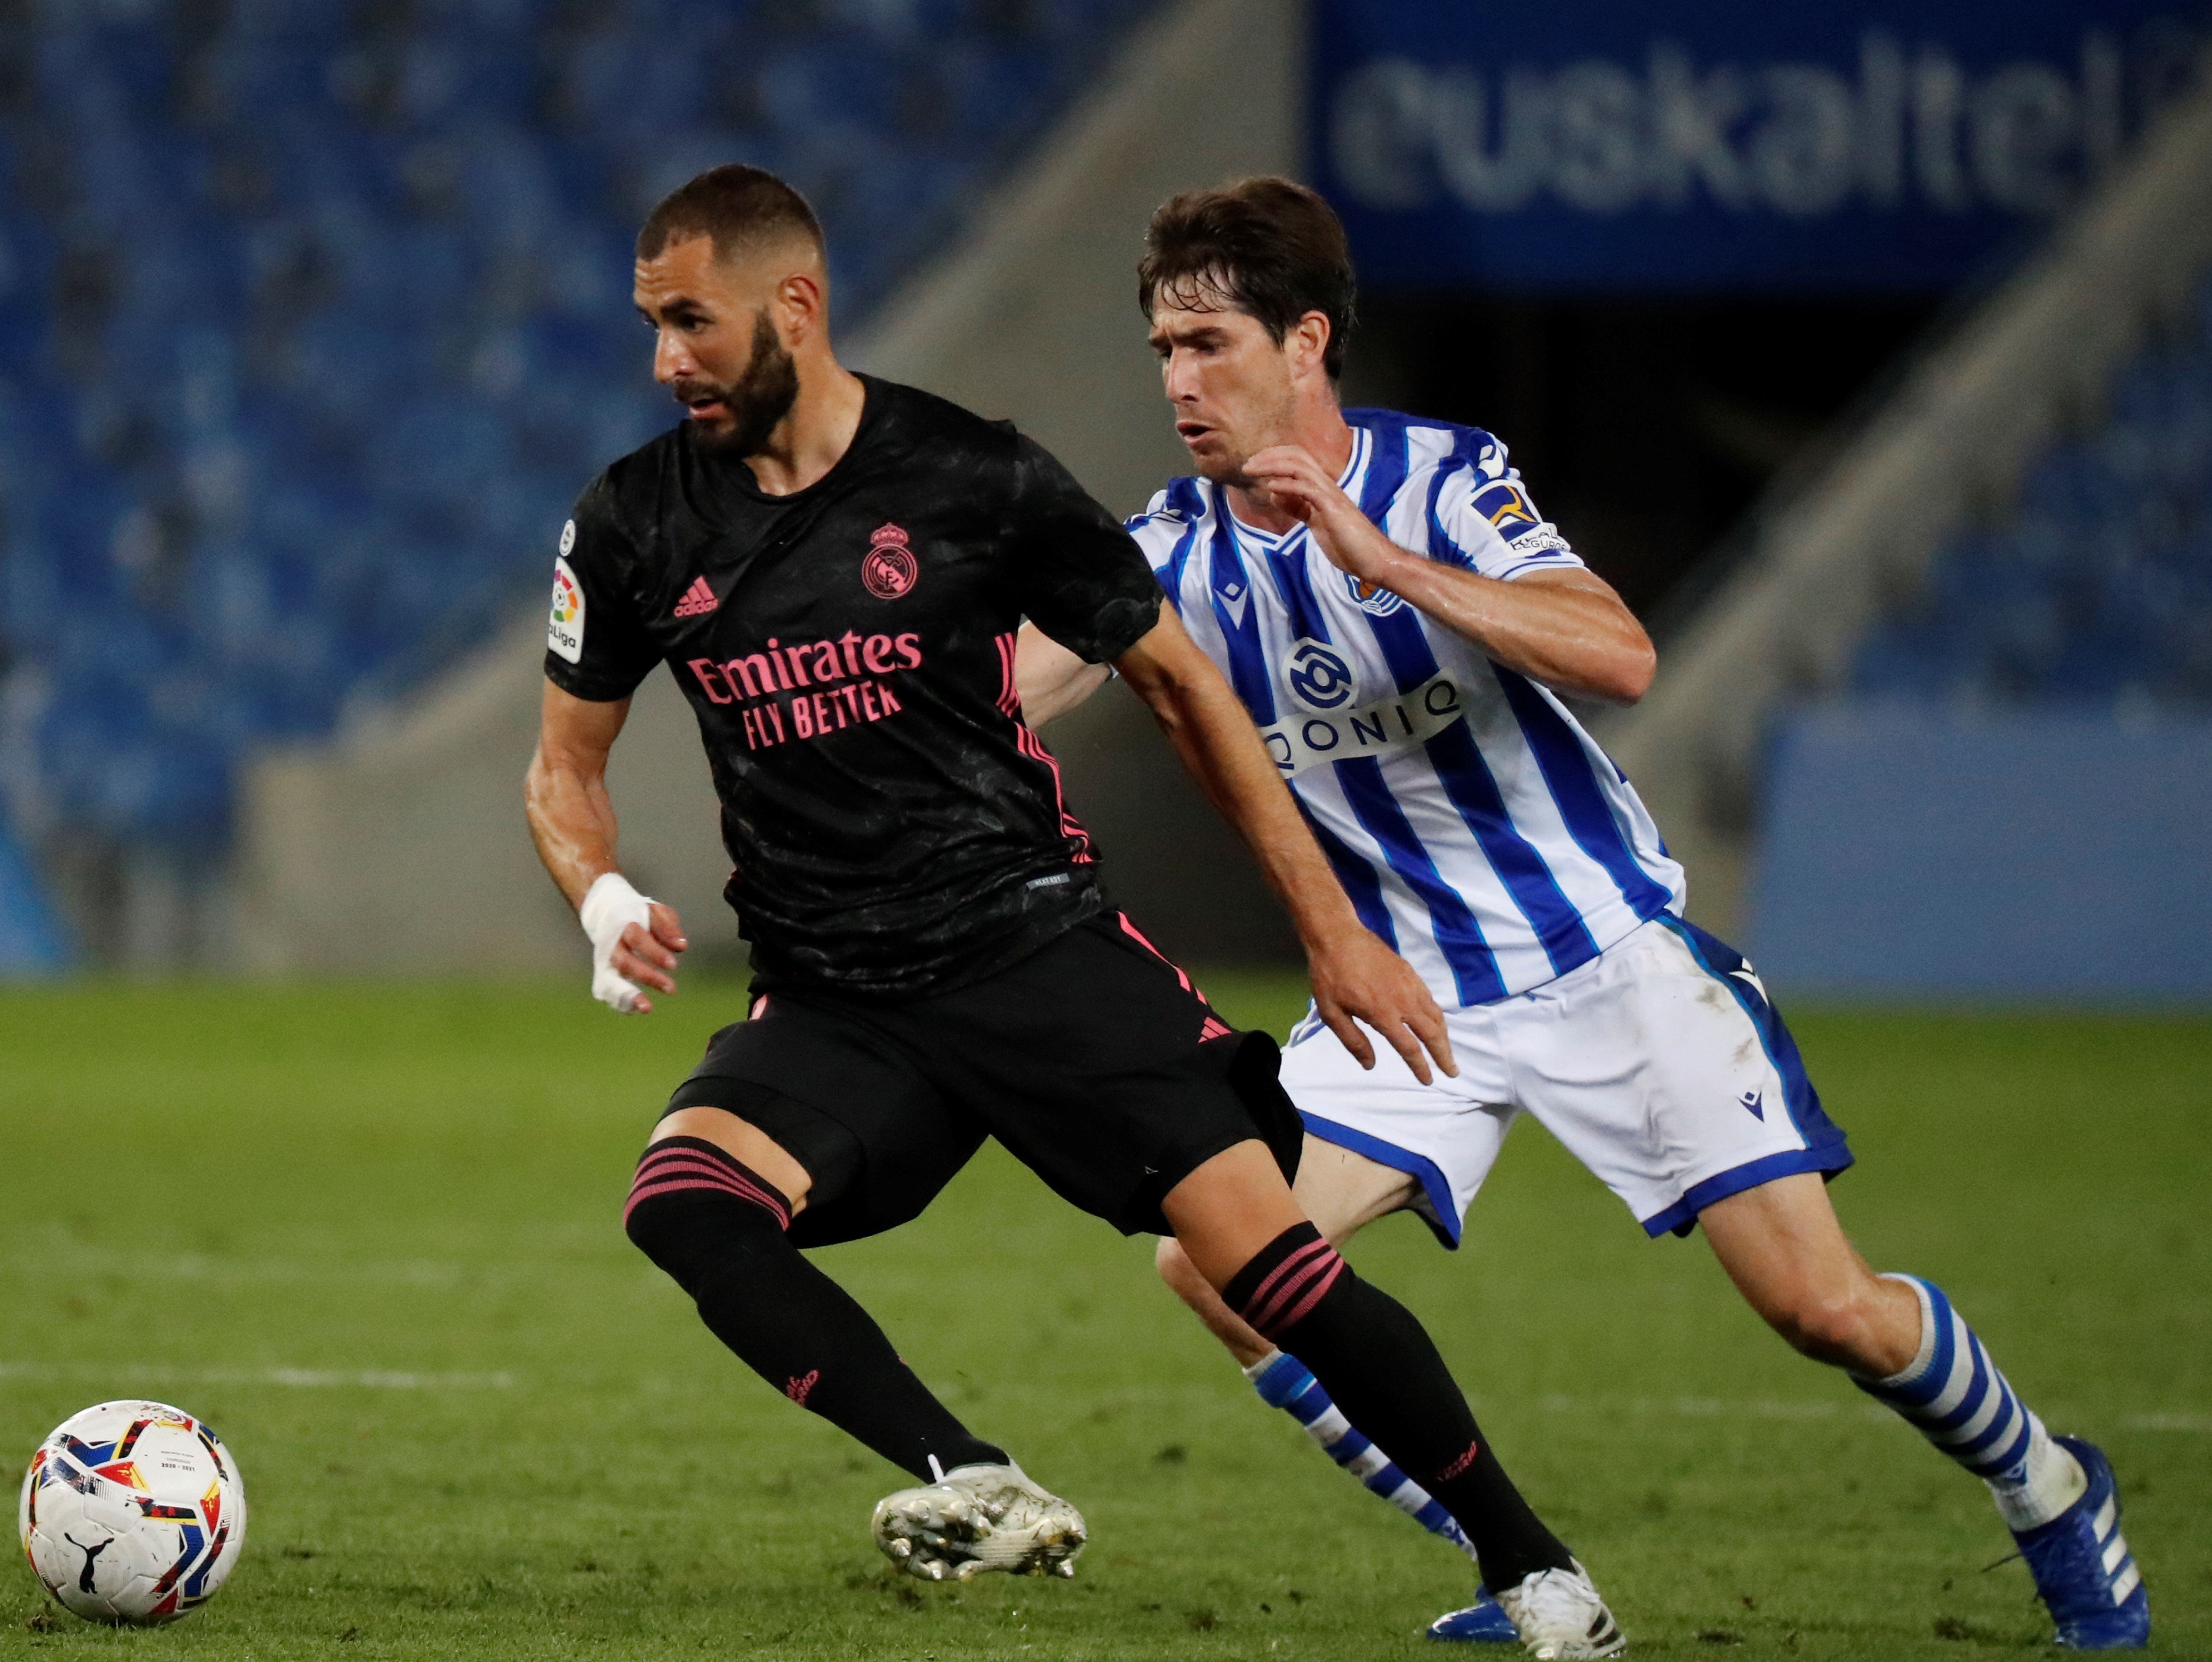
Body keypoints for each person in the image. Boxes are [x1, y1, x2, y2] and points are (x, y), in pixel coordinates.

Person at [1016, 176, 2149, 1653]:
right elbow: (1014, 682)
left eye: (1210, 342)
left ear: (1306, 343)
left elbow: (1617, 652)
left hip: (1606, 958)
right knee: (1221, 1259)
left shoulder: (1443, 482)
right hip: (1413, 997)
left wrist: (1384, 561)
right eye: (1163, 347)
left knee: (1825, 1308)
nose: (1179, 379)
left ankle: (2050, 1485)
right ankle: (1524, 1569)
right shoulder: (1165, 547)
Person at [522, 164, 1625, 1655]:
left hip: (1036, 943)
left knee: (1278, 1271)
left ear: (796, 302)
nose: (666, 362)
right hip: (840, 992)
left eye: (691, 323)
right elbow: (562, 769)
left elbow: (1184, 686)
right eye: (653, 326)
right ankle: (968, 1476)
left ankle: (1537, 1569)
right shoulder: (634, 522)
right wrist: (597, 896)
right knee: (685, 1203)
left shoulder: (972, 475)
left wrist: (1327, 925)